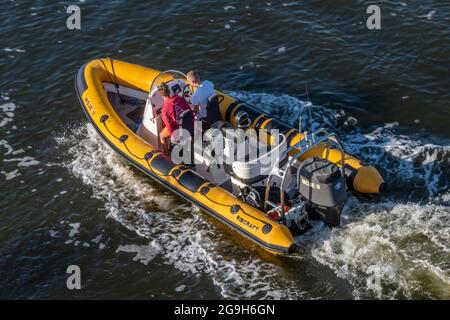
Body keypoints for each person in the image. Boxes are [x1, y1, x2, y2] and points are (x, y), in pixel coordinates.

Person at [158, 83, 193, 153]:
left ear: (161, 95)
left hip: (178, 130)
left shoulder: (164, 110)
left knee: (161, 135)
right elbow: (190, 112)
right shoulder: (181, 98)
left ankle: (165, 154)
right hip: (189, 125)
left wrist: (174, 138)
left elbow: (170, 127)